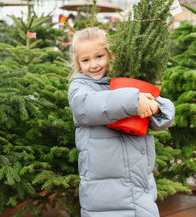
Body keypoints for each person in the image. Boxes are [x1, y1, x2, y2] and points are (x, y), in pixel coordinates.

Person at [68, 27, 175, 217]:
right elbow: (86, 107)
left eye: (99, 56)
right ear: (78, 63)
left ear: (110, 55)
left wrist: (156, 107)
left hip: (138, 183)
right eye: (85, 60)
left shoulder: (125, 82)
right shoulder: (80, 87)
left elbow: (162, 120)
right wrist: (133, 101)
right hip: (103, 191)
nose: (93, 64)